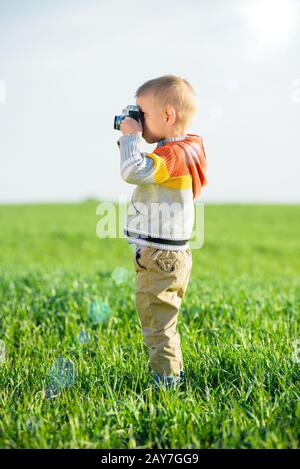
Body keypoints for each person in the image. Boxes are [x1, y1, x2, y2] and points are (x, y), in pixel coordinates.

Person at [117, 75, 208, 390]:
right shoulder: (189, 149)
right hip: (169, 255)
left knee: (158, 326)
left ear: (168, 116)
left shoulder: (173, 155)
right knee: (163, 321)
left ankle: (167, 385)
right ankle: (172, 375)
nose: (138, 120)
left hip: (159, 257)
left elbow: (133, 171)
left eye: (142, 113)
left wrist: (130, 138)